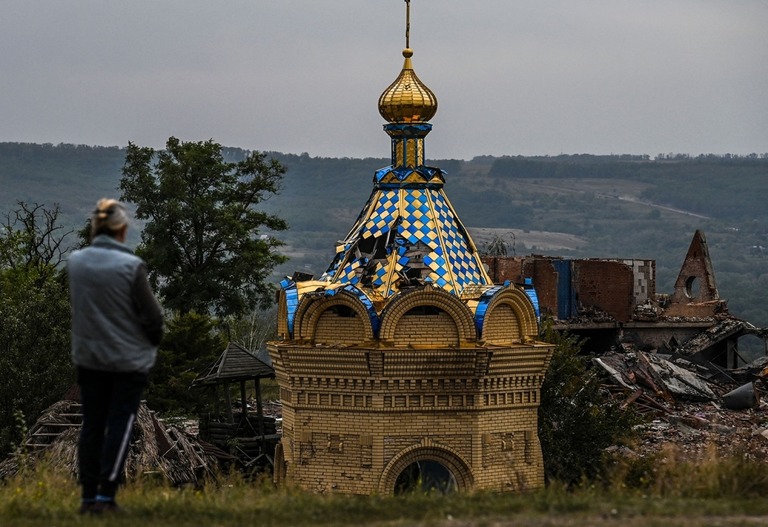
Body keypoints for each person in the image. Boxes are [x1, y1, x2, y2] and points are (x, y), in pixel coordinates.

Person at [68, 198, 164, 514]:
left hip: (88, 357)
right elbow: (152, 318)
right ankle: (105, 496)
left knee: (92, 424)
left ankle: (86, 497)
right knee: (120, 423)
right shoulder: (131, 267)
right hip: (126, 360)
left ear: (95, 228)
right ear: (121, 229)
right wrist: (150, 343)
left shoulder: (76, 263)